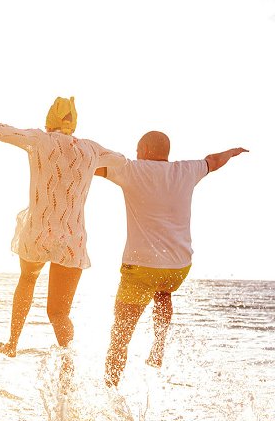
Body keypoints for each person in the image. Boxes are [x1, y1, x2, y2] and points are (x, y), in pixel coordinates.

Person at [0, 98, 126, 361]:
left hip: (38, 233)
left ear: (48, 121)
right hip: (71, 238)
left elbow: (5, 131)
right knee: (59, 313)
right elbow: (120, 161)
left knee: (27, 280)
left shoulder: (40, 140)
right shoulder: (90, 150)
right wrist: (87, 168)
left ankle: (13, 343)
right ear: (74, 123)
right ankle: (67, 361)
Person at [99, 131, 248, 387]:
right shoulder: (186, 170)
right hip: (178, 267)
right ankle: (158, 347)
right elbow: (212, 160)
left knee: (120, 335)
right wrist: (231, 152)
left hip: (141, 268)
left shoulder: (133, 169)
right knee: (164, 292)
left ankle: (110, 387)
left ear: (145, 149)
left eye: (137, 149)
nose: (136, 154)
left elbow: (98, 170)